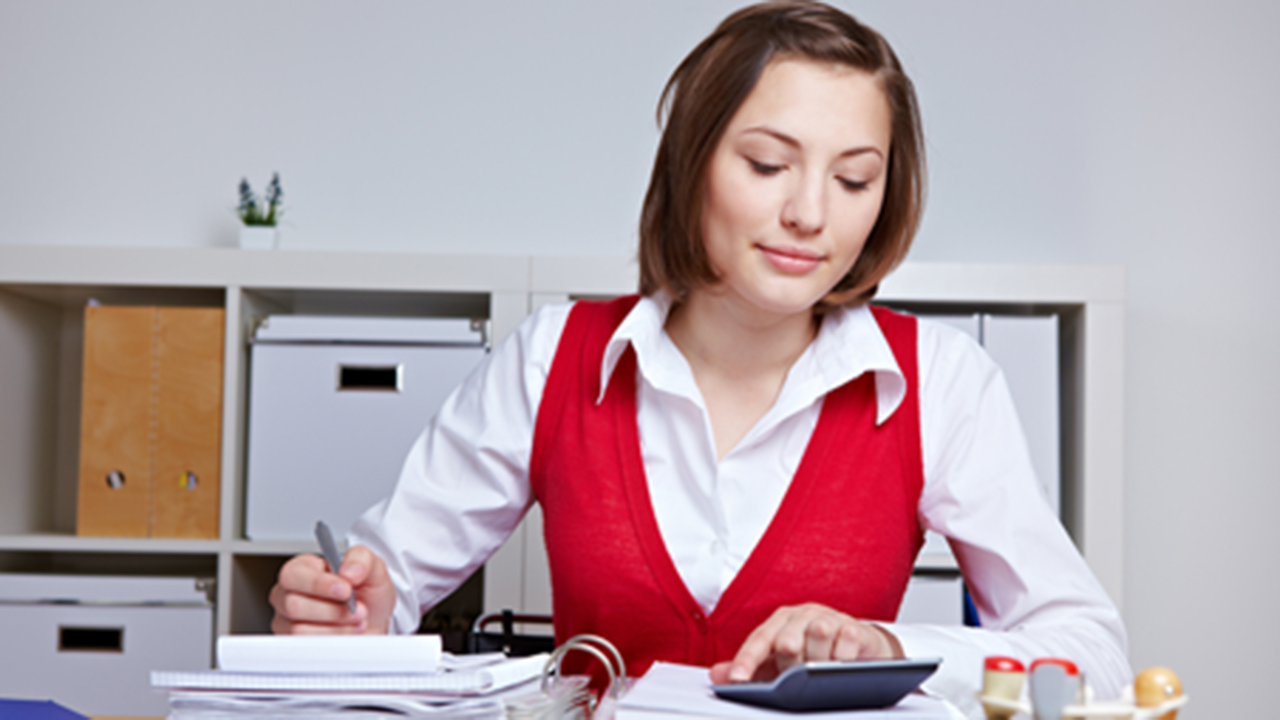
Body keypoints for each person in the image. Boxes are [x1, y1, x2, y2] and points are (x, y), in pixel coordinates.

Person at [269, 2, 1131, 716]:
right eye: (767, 163)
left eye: (855, 180)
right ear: (694, 163)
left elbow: (1090, 652)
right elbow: (382, 586)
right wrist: (353, 614)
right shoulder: (552, 361)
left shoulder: (940, 382)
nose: (808, 213)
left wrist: (889, 646)